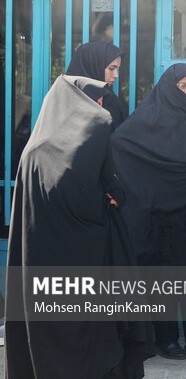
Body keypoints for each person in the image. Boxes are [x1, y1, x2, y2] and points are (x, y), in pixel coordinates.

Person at [4, 75, 152, 378]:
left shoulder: (35, 148)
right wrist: (107, 201)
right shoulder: (84, 141)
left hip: (39, 262)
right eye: (94, 100)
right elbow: (87, 205)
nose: (99, 107)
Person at [111, 63, 186, 362]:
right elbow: (119, 149)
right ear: (168, 87)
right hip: (158, 223)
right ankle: (164, 339)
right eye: (184, 87)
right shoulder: (142, 123)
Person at [67, 41, 127, 130]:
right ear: (94, 65)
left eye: (117, 69)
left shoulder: (109, 98)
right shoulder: (67, 99)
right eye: (111, 68)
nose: (116, 75)